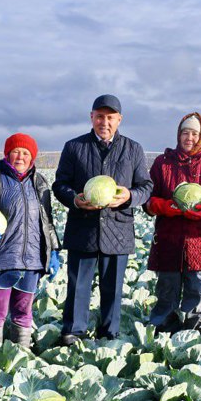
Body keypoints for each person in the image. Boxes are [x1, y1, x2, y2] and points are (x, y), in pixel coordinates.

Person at [52, 94, 153, 345]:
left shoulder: (133, 149)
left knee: (113, 288)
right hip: (83, 227)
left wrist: (129, 196)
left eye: (110, 117)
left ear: (119, 119)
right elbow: (60, 184)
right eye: (99, 117)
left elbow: (146, 186)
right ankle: (73, 332)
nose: (104, 122)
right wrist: (74, 199)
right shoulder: (74, 147)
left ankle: (109, 334)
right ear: (91, 117)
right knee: (78, 285)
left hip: (117, 228)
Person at [145, 113, 201, 333]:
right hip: (168, 239)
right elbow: (148, 199)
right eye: (185, 133)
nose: (189, 138)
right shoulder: (162, 163)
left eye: (195, 134)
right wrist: (166, 207)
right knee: (166, 290)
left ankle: (196, 333)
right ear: (178, 134)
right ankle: (163, 330)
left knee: (200, 291)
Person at [0, 133, 61, 348]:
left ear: (32, 157)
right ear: (7, 153)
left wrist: (54, 249)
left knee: (23, 313)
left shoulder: (39, 181)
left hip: (31, 259)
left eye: (25, 152)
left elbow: (46, 219)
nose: (20, 157)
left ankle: (20, 357)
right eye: (15, 151)